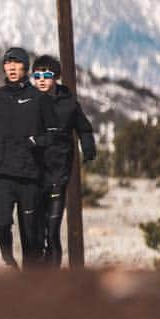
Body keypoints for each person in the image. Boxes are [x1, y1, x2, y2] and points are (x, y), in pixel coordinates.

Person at [0, 46, 56, 269]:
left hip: (30, 174)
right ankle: (9, 260)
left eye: (16, 63)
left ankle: (30, 276)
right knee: (2, 223)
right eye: (7, 63)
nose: (11, 67)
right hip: (1, 173)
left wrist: (36, 142)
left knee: (31, 232)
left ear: (26, 67)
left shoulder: (40, 99)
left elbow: (52, 135)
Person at [30, 54, 97, 268]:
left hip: (58, 173)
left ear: (56, 77)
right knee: (35, 232)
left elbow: (84, 128)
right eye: (37, 75)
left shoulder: (68, 103)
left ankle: (55, 279)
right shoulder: (28, 101)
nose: (41, 80)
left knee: (53, 230)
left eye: (47, 75)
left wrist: (88, 149)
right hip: (32, 174)